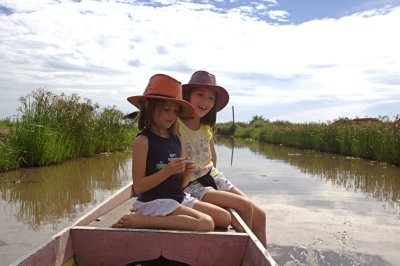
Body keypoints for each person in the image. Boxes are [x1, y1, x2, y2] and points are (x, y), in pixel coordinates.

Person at [112, 73, 231, 231]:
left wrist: (187, 173)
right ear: (148, 106)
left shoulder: (177, 139)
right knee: (206, 223)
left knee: (225, 218)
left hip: (177, 197)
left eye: (175, 111)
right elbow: (139, 187)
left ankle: (165, 217)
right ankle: (141, 220)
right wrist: (167, 171)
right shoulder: (143, 141)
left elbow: (180, 185)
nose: (171, 115)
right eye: (166, 109)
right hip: (153, 201)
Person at [177, 70, 267, 246]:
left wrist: (217, 187)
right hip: (191, 185)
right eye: (200, 95)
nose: (205, 102)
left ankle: (258, 258)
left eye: (211, 98)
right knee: (243, 206)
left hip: (213, 177)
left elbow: (213, 160)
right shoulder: (177, 126)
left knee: (260, 215)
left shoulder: (206, 126)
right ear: (188, 96)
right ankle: (242, 250)